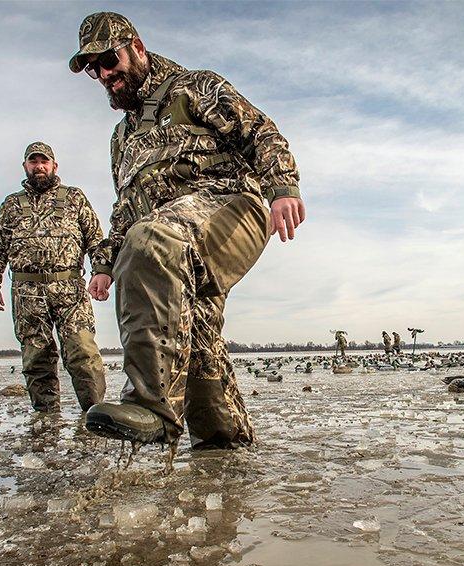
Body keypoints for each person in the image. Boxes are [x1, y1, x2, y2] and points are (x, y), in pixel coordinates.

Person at [70, 12, 305, 447]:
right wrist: (105, 263)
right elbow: (125, 207)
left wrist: (282, 187)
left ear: (136, 47)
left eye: (108, 59)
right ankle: (224, 448)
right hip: (171, 243)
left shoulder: (194, 86)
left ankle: (150, 404)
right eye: (92, 68)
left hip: (230, 207)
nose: (103, 74)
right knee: (197, 341)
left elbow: (260, 131)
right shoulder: (121, 140)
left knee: (151, 241)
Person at [0, 142, 108, 412]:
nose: (39, 166)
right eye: (33, 161)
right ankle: (46, 419)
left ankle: (96, 414)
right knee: (36, 358)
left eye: (44, 161)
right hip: (27, 292)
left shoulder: (74, 197)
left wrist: (101, 271)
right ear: (25, 166)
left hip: (70, 289)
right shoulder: (11, 205)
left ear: (54, 166)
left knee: (82, 352)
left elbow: (96, 240)